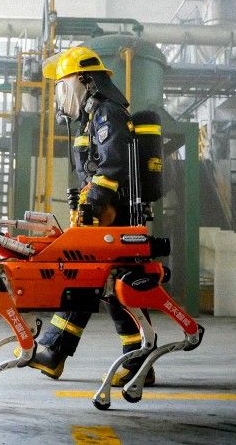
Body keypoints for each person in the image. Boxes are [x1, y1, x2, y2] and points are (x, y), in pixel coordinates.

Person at [20, 46, 155, 387]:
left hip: (114, 216)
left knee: (110, 286)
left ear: (84, 80)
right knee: (96, 284)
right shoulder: (90, 118)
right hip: (100, 215)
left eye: (63, 86)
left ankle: (132, 361)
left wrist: (92, 203)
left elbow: (111, 166)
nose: (61, 95)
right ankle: (58, 353)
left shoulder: (108, 113)